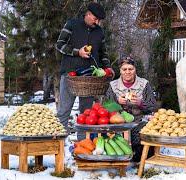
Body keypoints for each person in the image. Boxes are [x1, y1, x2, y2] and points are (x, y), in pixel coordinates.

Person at [55, 2, 114, 131]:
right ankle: (58, 146)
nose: (97, 22)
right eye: (95, 19)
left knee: (86, 115)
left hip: (89, 79)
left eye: (99, 20)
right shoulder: (71, 24)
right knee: (63, 111)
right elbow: (59, 45)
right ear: (88, 14)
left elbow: (103, 53)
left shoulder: (99, 32)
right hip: (70, 75)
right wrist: (78, 52)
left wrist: (108, 68)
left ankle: (83, 145)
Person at [105, 56, 157, 162]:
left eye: (130, 69)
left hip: (139, 122)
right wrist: (117, 102)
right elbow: (106, 107)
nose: (127, 72)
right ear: (120, 70)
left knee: (144, 135)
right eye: (124, 69)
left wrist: (140, 103)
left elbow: (152, 105)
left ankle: (140, 156)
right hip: (118, 124)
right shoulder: (113, 85)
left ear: (135, 69)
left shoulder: (144, 84)